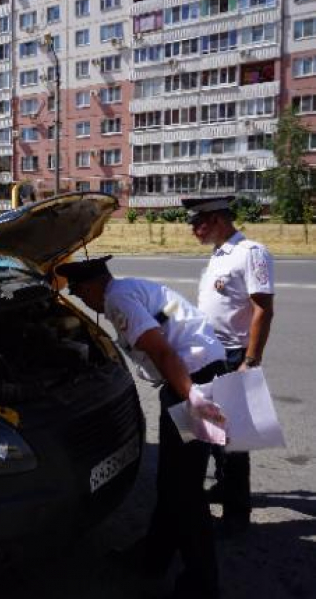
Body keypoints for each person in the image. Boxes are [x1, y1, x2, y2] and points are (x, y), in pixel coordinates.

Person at [56, 256, 227, 599]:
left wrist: (191, 396)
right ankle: (152, 558)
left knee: (185, 491)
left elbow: (162, 352)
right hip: (199, 373)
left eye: (78, 292)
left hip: (189, 381)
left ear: (92, 286)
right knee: (173, 482)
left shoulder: (117, 299)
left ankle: (201, 583)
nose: (82, 301)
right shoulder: (130, 287)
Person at [183, 196, 275, 535]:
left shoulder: (250, 253)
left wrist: (251, 360)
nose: (193, 230)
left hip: (235, 356)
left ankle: (237, 516)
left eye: (198, 223)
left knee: (234, 441)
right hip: (210, 355)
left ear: (219, 219)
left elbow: (263, 309)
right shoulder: (219, 254)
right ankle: (223, 487)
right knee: (214, 431)